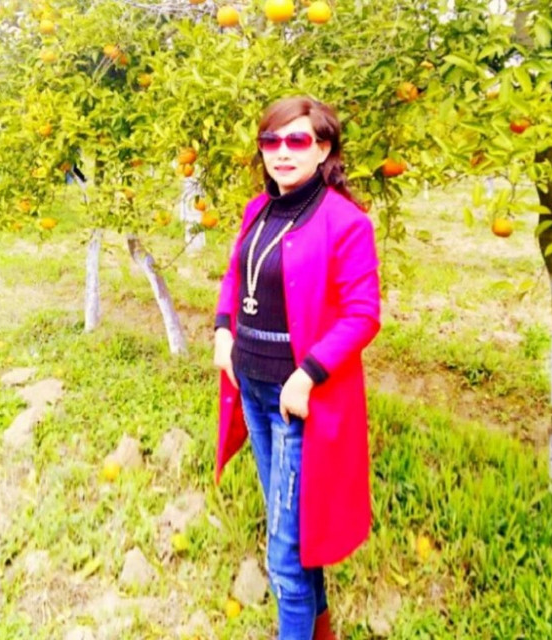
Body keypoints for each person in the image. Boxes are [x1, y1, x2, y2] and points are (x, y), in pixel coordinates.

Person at [213, 96, 381, 640]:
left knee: (284, 556)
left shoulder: (345, 222)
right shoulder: (257, 211)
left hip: (296, 403)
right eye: (271, 141)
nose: (281, 152)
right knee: (295, 532)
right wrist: (222, 330)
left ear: (323, 148)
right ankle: (320, 630)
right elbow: (236, 276)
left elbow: (363, 314)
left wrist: (307, 374)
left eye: (297, 140)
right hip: (252, 389)